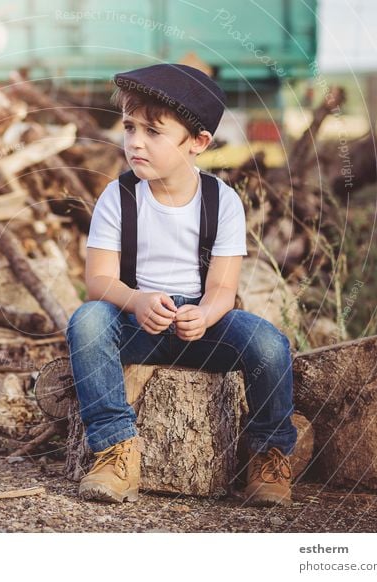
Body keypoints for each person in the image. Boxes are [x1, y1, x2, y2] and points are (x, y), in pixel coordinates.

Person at [66, 63, 297, 507]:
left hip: (201, 326)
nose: (135, 141)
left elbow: (222, 289)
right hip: (136, 323)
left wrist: (205, 315)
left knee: (269, 344)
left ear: (198, 143)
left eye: (153, 132)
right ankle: (115, 448)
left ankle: (269, 453)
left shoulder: (221, 201)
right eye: (129, 127)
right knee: (88, 321)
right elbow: (98, 280)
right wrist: (134, 300)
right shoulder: (119, 197)